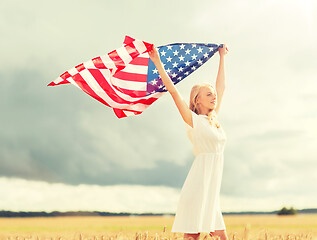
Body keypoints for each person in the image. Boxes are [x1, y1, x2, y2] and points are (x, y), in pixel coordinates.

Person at [148, 43, 229, 240]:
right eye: (208, 94)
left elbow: (221, 87)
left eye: (214, 95)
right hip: (199, 185)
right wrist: (157, 62)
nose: (214, 96)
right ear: (197, 100)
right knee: (191, 237)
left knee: (222, 236)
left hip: (212, 191)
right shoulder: (193, 120)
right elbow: (174, 92)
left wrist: (222, 57)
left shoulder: (213, 120)